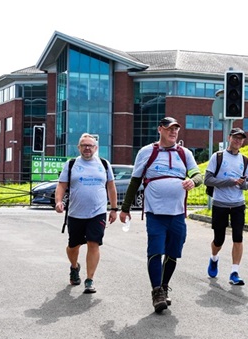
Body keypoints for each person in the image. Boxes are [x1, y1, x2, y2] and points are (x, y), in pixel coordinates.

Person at [119, 117, 202, 313]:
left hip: (177, 213)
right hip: (155, 212)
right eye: (169, 129)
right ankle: (156, 292)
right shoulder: (147, 152)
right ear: (160, 130)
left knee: (173, 253)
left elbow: (198, 175)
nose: (173, 132)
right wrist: (124, 208)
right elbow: (135, 180)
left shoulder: (185, 153)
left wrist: (194, 182)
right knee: (155, 250)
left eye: (176, 129)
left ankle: (164, 287)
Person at [55, 133, 118, 294]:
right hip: (75, 213)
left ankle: (89, 279)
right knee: (73, 246)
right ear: (79, 148)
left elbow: (111, 187)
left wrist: (114, 208)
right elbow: (61, 185)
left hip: (97, 213)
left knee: (93, 243)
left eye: (90, 145)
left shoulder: (103, 164)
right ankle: (74, 266)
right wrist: (58, 201)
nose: (87, 148)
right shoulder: (71, 165)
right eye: (84, 145)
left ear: (96, 148)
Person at [204, 128, 248, 285]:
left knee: (238, 238)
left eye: (241, 139)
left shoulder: (244, 160)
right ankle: (214, 258)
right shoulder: (217, 157)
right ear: (229, 138)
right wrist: (229, 181)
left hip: (238, 204)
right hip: (220, 204)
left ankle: (234, 272)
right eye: (235, 138)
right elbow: (208, 180)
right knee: (219, 239)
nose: (238, 141)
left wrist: (243, 184)